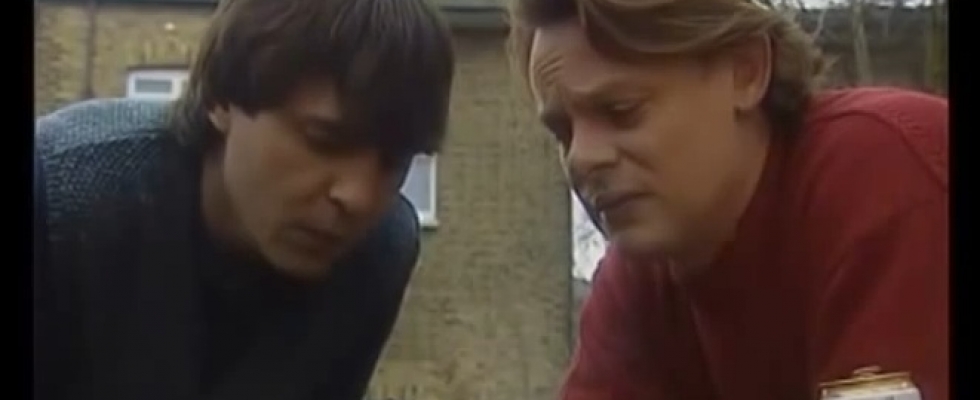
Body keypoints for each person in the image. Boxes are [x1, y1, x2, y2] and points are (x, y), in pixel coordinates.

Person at [507, 0, 948, 398]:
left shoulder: (881, 176)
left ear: (745, 70)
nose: (582, 157)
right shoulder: (640, 279)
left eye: (621, 111)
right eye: (563, 133)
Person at [32, 0, 454, 399]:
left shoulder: (379, 251)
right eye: (324, 140)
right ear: (222, 98)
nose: (359, 197)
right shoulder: (61, 196)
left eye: (395, 160)